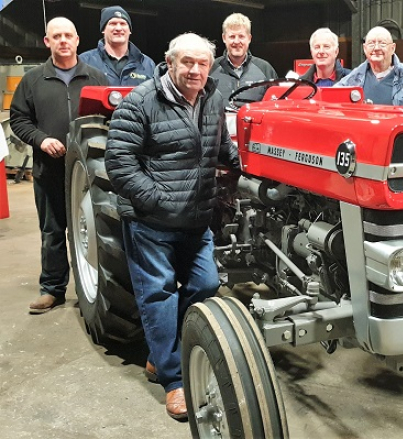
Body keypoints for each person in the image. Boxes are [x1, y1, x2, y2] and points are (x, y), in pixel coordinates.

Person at [105, 32, 239, 421]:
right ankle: (174, 380)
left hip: (196, 219)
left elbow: (220, 144)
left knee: (207, 284)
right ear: (170, 60)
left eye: (202, 63)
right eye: (187, 62)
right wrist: (156, 199)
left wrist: (248, 163)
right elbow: (119, 163)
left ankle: (160, 353)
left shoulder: (214, 98)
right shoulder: (141, 102)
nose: (195, 70)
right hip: (153, 222)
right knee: (159, 295)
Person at [9, 17, 107, 314]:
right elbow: (19, 119)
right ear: (47, 42)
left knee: (93, 230)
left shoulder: (96, 77)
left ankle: (94, 288)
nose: (63, 40)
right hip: (49, 171)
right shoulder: (33, 80)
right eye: (57, 36)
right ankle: (52, 289)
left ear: (77, 40)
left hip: (91, 174)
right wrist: (40, 140)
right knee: (52, 231)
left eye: (68, 35)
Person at [209, 12, 278, 108]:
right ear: (224, 38)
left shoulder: (265, 68)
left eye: (241, 36)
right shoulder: (210, 68)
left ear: (249, 38)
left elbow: (277, 104)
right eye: (232, 36)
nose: (237, 41)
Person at [335, 26, 403, 106]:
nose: (376, 48)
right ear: (365, 48)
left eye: (382, 43)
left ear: (392, 48)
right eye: (371, 43)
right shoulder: (353, 78)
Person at [79, 5, 155, 86]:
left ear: (130, 31)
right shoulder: (85, 61)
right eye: (113, 23)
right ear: (103, 29)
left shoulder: (147, 64)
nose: (118, 28)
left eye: (123, 23)